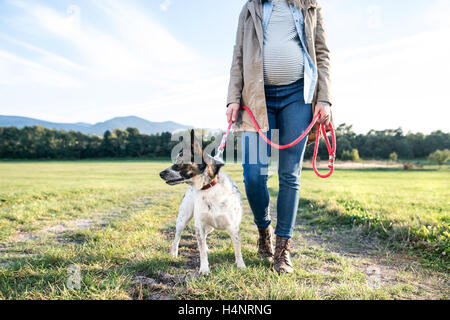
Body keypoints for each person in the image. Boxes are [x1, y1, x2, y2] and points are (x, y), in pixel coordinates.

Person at [226, 0, 332, 274]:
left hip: (298, 95)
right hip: (254, 97)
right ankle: (264, 229)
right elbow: (238, 55)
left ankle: (283, 251)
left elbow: (322, 53)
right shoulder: (251, 7)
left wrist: (325, 99)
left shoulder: (309, 5)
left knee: (289, 174)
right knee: (253, 174)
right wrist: (232, 98)